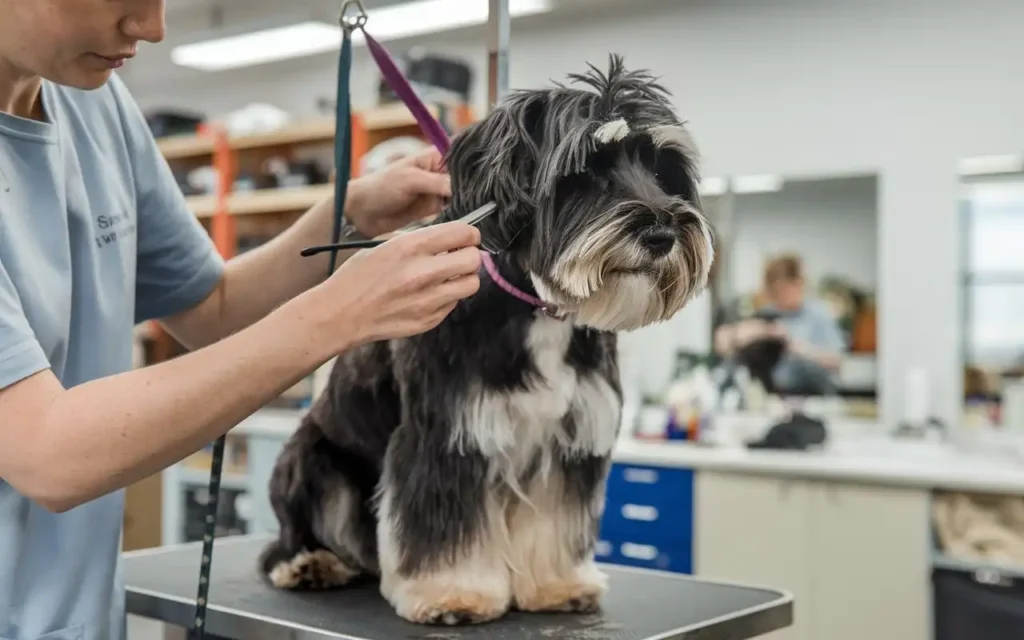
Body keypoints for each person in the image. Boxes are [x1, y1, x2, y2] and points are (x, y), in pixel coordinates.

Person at [0, 2, 484, 638]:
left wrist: (349, 217)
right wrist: (338, 316)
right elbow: (47, 454)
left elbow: (214, 310)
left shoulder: (93, 100)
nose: (152, 28)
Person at [758, 253, 846, 394]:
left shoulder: (819, 314)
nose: (782, 296)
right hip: (775, 395)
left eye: (786, 289)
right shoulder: (767, 315)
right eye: (778, 291)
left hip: (813, 394)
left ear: (798, 283)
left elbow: (837, 361)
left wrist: (803, 350)